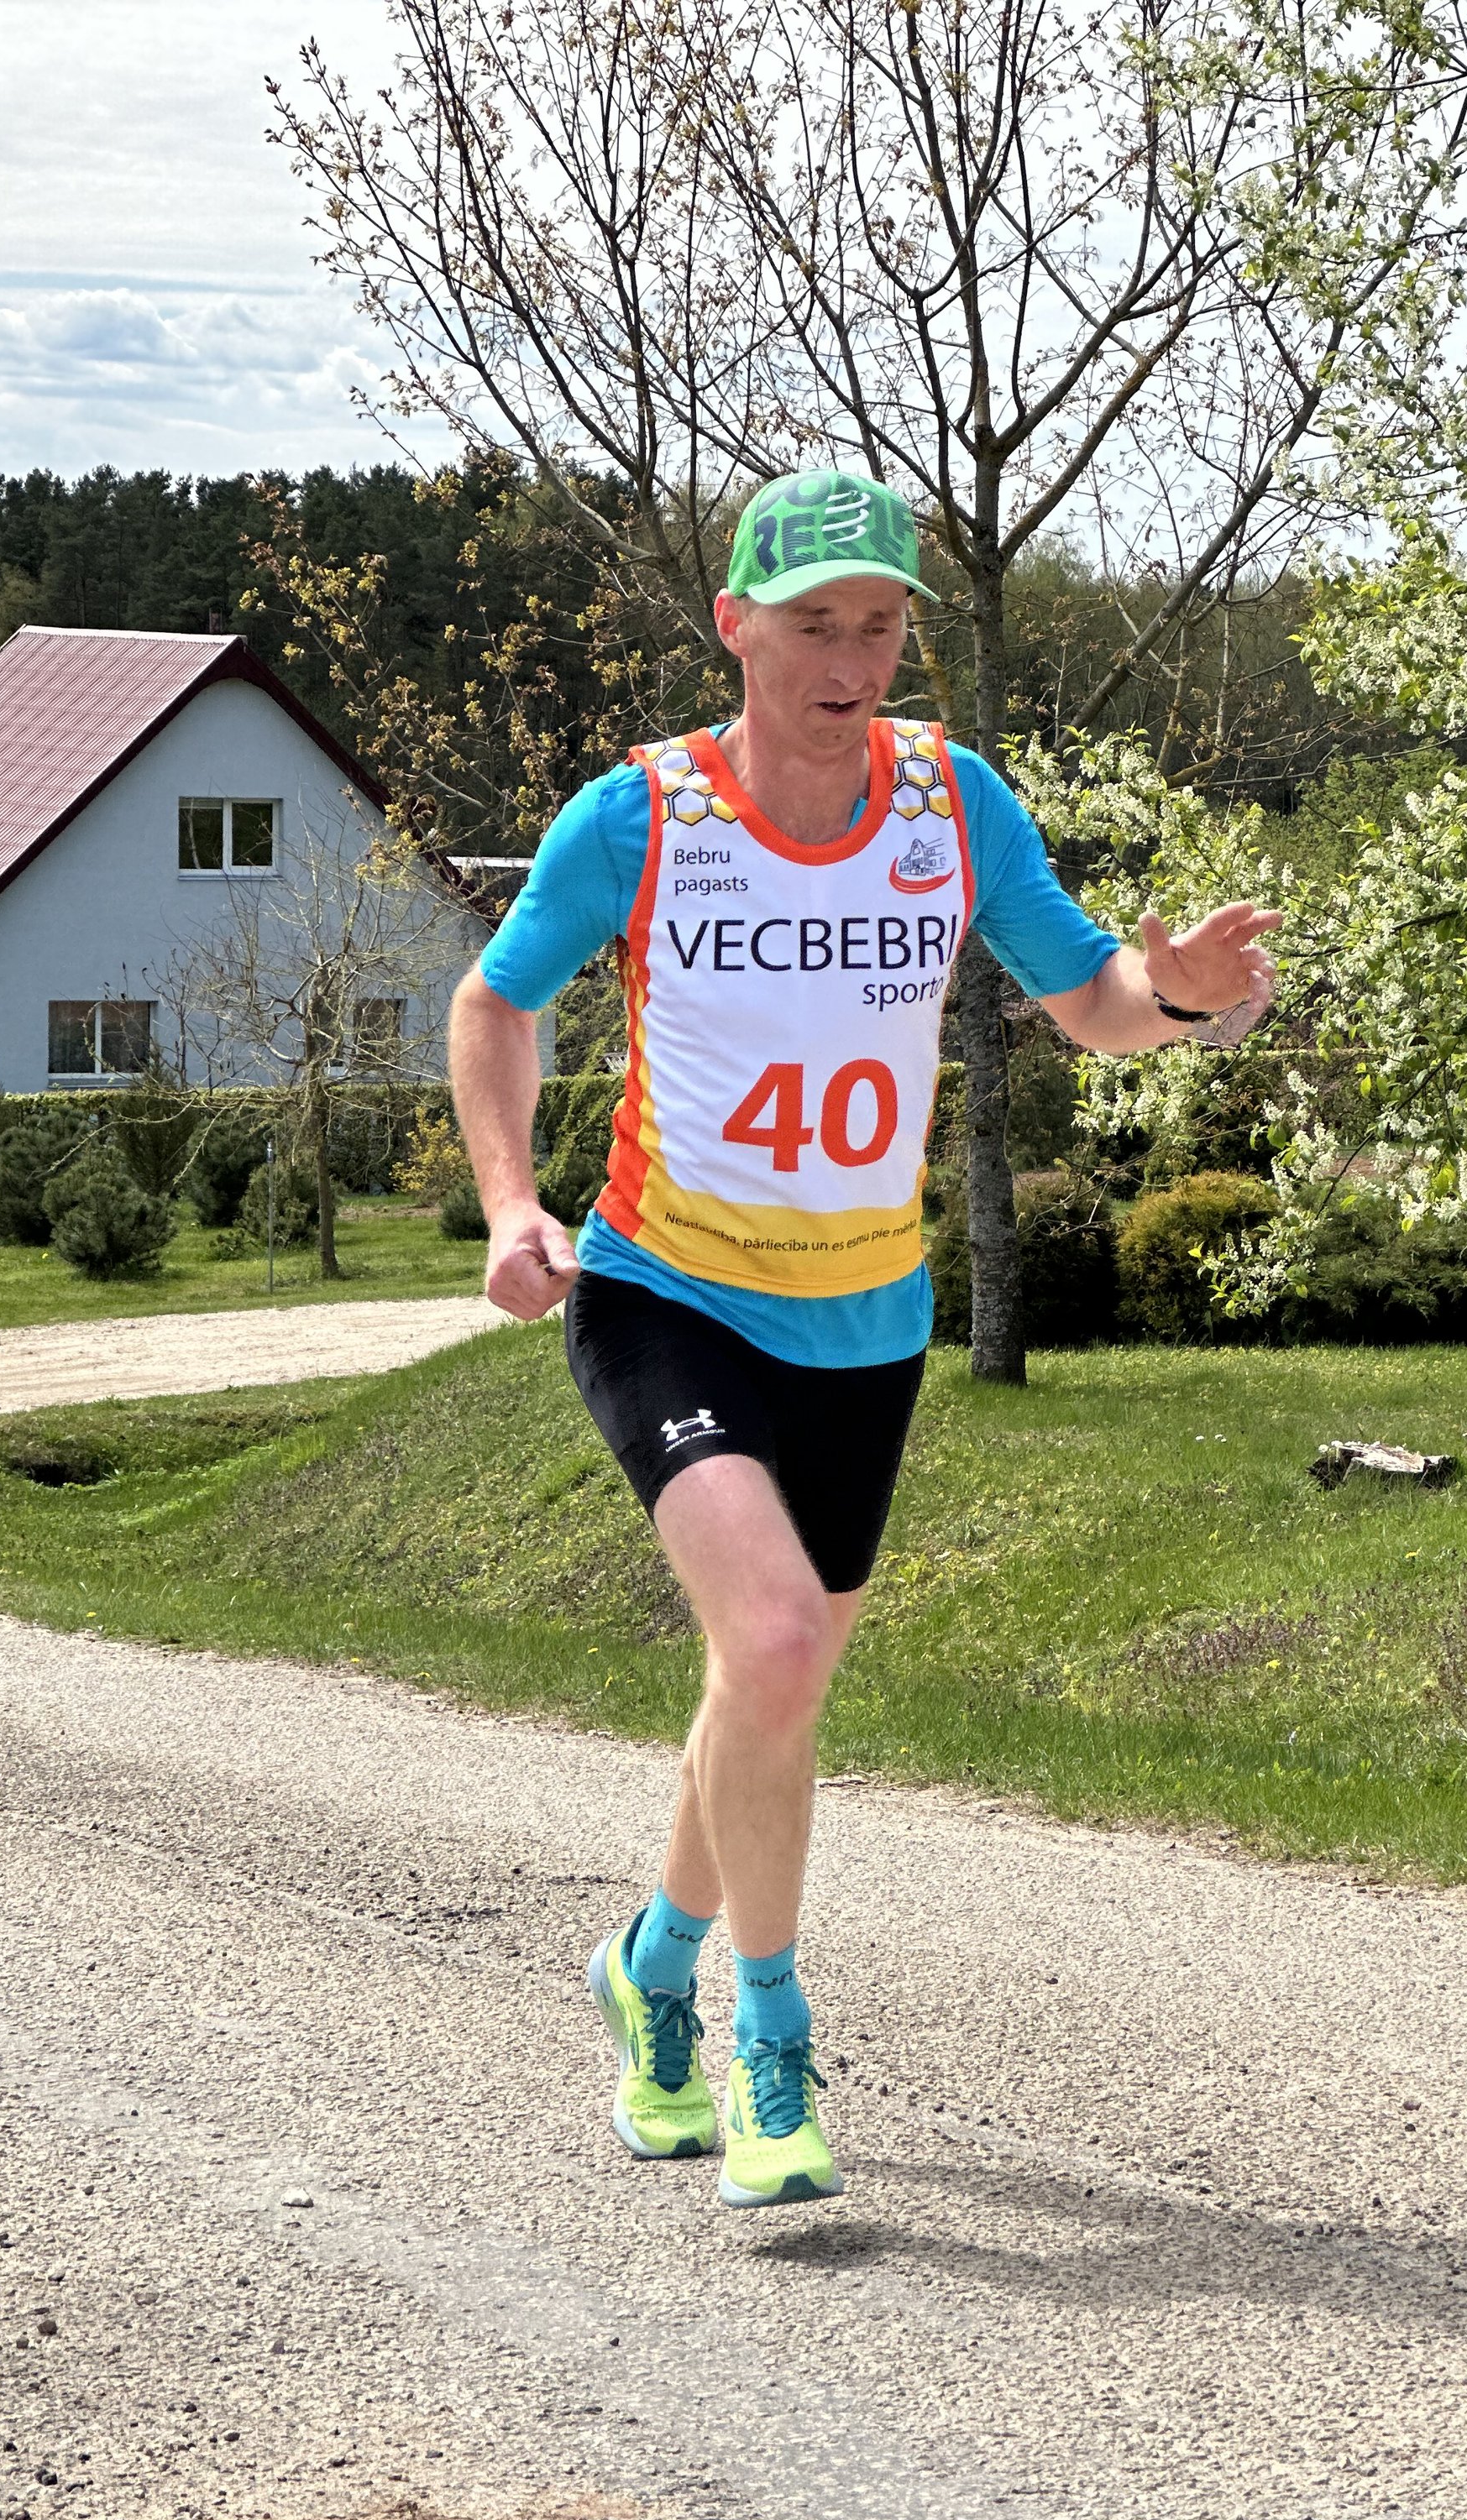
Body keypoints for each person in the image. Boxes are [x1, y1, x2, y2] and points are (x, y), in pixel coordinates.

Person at [449, 467, 1276, 2212]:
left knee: (771, 1680)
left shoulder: (951, 802)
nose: (849, 660)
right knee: (768, 1640)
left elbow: (1090, 997)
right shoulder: (642, 816)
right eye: (813, 622)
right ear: (735, 626)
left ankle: (649, 1965)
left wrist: (1183, 997)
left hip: (866, 1318)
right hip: (665, 1292)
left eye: (880, 625)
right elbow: (494, 999)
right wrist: (511, 1202)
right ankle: (769, 2043)